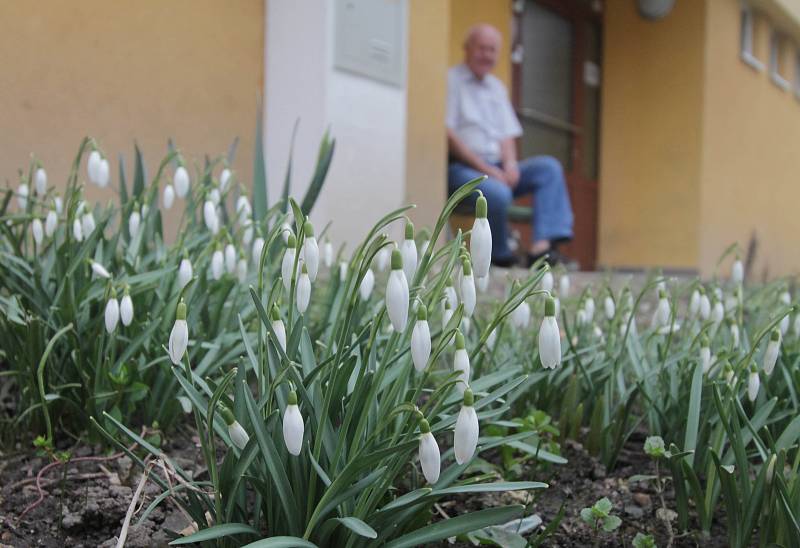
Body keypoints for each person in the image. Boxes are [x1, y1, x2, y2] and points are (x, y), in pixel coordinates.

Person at [447, 23, 574, 267]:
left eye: (492, 50)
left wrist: (510, 164)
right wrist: (488, 170)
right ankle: (500, 256)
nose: (487, 55)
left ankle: (541, 248)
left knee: (549, 168)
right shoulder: (452, 81)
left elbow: (507, 134)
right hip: (463, 169)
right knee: (497, 191)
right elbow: (449, 135)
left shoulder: (497, 87)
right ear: (467, 49)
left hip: (497, 167)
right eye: (482, 48)